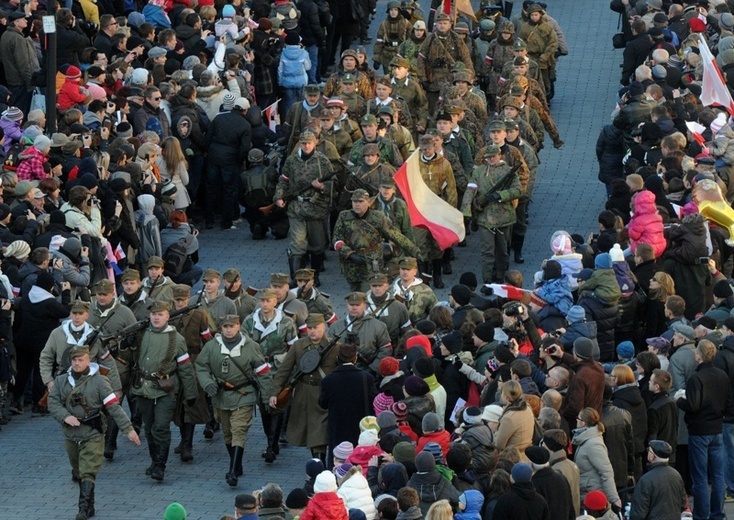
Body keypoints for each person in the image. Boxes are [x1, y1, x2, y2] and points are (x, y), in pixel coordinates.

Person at [47, 345, 141, 520]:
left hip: (93, 432)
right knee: (78, 469)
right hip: (71, 434)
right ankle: (90, 506)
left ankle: (83, 509)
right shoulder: (61, 381)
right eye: (74, 360)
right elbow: (52, 403)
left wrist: (128, 429)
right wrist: (65, 416)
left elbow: (113, 406)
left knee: (87, 470)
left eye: (81, 360)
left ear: (88, 360)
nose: (77, 363)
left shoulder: (100, 382)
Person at [195, 314, 272, 488]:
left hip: (244, 394)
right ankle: (237, 464)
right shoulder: (211, 347)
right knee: (227, 432)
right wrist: (207, 383)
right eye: (225, 327)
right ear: (221, 328)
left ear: (239, 326)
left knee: (239, 430)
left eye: (232, 326)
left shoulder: (251, 347)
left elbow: (263, 373)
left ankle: (232, 472)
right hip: (221, 396)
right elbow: (201, 366)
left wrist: (267, 397)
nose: (229, 330)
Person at [130, 301, 198, 482]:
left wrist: (191, 394)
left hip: (166, 390)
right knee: (150, 428)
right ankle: (154, 461)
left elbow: (185, 368)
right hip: (143, 387)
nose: (156, 317)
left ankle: (160, 465)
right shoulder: (141, 333)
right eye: (153, 314)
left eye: (160, 314)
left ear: (168, 316)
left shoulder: (177, 339)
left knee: (161, 427)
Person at [269, 313, 339, 465]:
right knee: (314, 433)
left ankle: (320, 466)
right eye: (310, 328)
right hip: (305, 394)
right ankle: (319, 465)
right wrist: (275, 393)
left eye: (316, 327)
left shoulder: (334, 347)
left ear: (324, 327)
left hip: (325, 394)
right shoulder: (299, 346)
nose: (312, 331)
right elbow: (284, 371)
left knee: (320, 432)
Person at [676, 339, 731, 520]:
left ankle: (701, 515)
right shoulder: (722, 375)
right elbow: (728, 401)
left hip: (699, 431)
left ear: (698, 355)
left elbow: (692, 405)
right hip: (717, 428)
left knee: (699, 477)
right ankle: (718, 514)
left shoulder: (696, 378)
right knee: (717, 475)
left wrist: (679, 400)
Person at [243, 287, 298, 463]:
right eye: (262, 301)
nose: (265, 304)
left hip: (278, 369)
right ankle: (270, 439)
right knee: (264, 406)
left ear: (276, 302)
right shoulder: (250, 321)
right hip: (258, 370)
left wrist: (290, 371)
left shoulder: (286, 323)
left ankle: (271, 445)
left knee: (277, 406)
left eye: (269, 301)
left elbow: (293, 349)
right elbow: (243, 345)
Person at [86, 279, 138, 461]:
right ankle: (97, 439)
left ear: (112, 294)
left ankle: (109, 442)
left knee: (113, 402)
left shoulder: (124, 312)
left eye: (105, 294)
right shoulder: (88, 311)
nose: (101, 297)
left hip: (118, 363)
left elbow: (135, 337)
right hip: (92, 365)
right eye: (99, 294)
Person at [274, 131, 334, 284]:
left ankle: (314, 277)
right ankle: (296, 279)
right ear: (299, 144)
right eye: (303, 143)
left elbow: (333, 184)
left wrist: (321, 186)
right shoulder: (292, 160)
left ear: (315, 143)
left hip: (316, 208)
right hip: (297, 207)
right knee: (297, 245)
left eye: (309, 143)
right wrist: (279, 197)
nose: (307, 146)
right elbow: (283, 180)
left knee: (317, 245)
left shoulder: (323, 161)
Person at [332, 188, 419, 292]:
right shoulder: (344, 216)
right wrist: (350, 254)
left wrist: (414, 250)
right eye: (354, 202)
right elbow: (337, 240)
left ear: (368, 202)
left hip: (372, 262)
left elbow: (396, 235)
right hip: (352, 264)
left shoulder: (378, 217)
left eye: (360, 202)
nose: (357, 205)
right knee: (355, 293)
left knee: (369, 291)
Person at [461, 144, 522, 284]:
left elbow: (518, 190)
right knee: (487, 252)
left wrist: (501, 195)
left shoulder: (508, 171)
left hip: (504, 217)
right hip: (485, 218)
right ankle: (487, 281)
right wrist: (465, 210)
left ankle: (502, 278)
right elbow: (470, 190)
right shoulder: (480, 172)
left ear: (499, 155)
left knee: (502, 251)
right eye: (488, 157)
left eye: (493, 156)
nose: (491, 159)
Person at [39, 300, 122, 399]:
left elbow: (107, 361)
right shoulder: (57, 333)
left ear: (87, 315)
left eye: (80, 313)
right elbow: (46, 357)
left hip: (90, 383)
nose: (77, 317)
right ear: (70, 314)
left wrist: (116, 388)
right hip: (64, 380)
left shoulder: (95, 336)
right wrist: (48, 380)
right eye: (74, 313)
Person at [319, 343, 377, 466]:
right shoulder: (366, 378)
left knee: (338, 458)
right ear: (355, 358)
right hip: (360, 427)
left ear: (338, 358)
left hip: (337, 426)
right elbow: (373, 400)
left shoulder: (328, 380)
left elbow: (322, 403)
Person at [205, 97, 252, 230]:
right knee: (229, 190)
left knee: (211, 189)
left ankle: (209, 220)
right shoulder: (245, 125)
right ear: (245, 110)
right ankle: (226, 222)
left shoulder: (219, 118)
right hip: (230, 160)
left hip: (214, 157)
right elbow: (244, 149)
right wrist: (238, 161)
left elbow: (208, 137)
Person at [331, 291, 393, 375]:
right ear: (347, 305)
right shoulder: (336, 327)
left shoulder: (378, 326)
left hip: (369, 372)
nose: (354, 308)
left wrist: (372, 369)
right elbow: (329, 352)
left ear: (365, 306)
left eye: (357, 305)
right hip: (341, 373)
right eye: (351, 305)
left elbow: (386, 349)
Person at [572, 407, 621, 508]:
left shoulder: (593, 444)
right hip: (587, 491)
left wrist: (614, 498)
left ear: (583, 423)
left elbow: (606, 472)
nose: (576, 420)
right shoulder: (584, 439)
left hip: (592, 494)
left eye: (578, 418)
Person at [628, 440, 687, 520]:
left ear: (652, 456)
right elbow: (683, 503)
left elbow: (638, 513)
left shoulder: (646, 480)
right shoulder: (676, 475)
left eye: (649, 450)